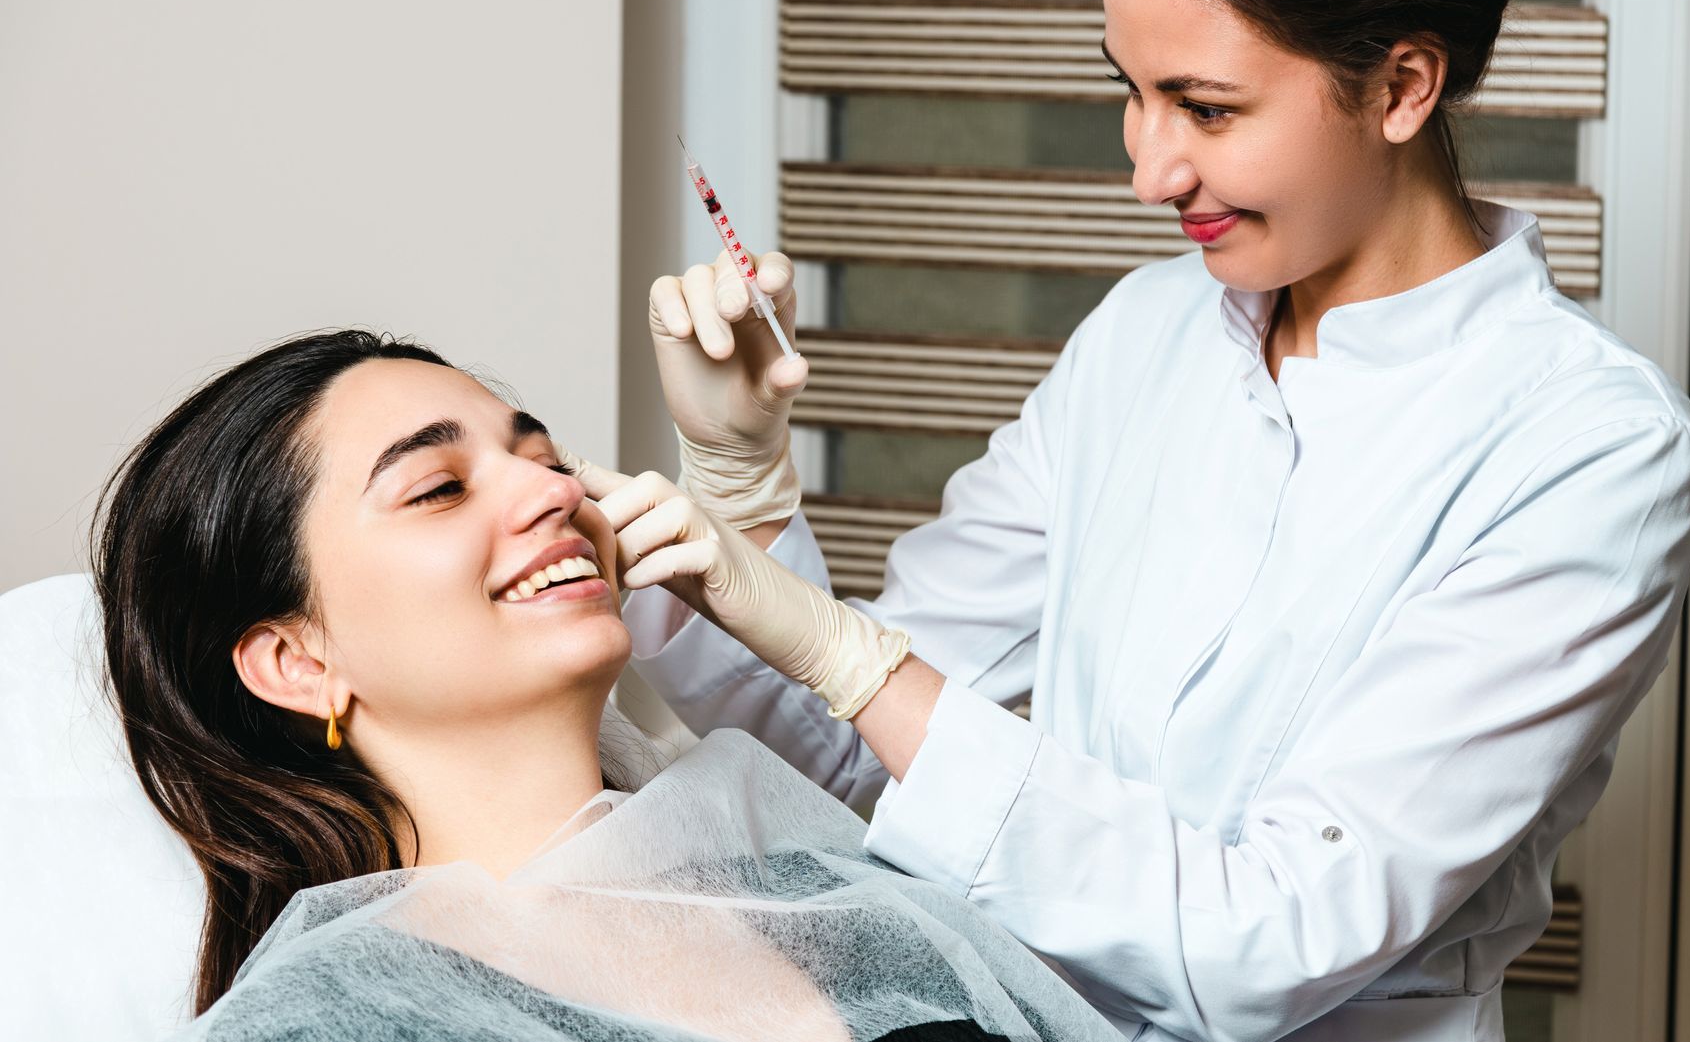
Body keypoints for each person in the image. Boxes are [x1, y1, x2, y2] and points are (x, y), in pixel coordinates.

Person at [587, 0, 1690, 1040]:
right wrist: (741, 492)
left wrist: (853, 657)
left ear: (1403, 86)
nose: (1149, 168)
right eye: (1131, 87)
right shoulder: (1146, 332)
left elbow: (1271, 940)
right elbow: (861, 754)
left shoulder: (1590, 450)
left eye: (1208, 107)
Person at [94, 329, 1118, 1042]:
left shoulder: (827, 896)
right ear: (300, 661)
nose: (555, 489)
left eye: (541, 458)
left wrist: (844, 650)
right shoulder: (331, 1018)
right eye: (440, 488)